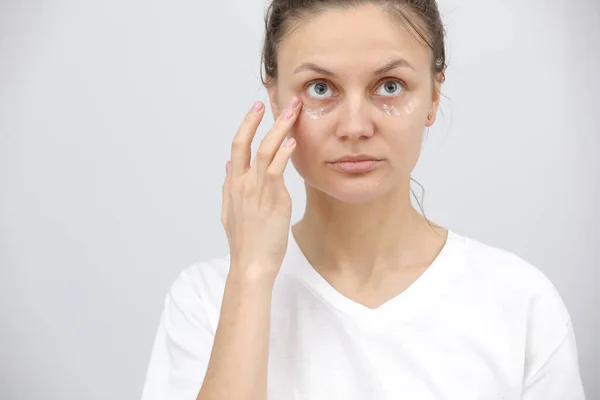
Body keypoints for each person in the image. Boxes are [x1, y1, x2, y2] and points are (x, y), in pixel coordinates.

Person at [141, 1, 586, 399]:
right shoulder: (206, 300)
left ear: (433, 95)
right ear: (276, 101)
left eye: (389, 86)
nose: (355, 126)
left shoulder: (519, 302)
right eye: (320, 88)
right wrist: (252, 276)